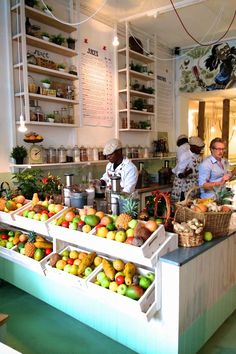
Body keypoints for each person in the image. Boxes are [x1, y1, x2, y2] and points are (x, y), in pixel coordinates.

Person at [171, 136, 205, 201]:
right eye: (198, 148)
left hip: (193, 187)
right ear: (192, 146)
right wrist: (187, 173)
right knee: (183, 207)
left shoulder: (199, 156)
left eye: (201, 148)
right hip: (183, 188)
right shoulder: (185, 156)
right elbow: (179, 174)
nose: (200, 150)